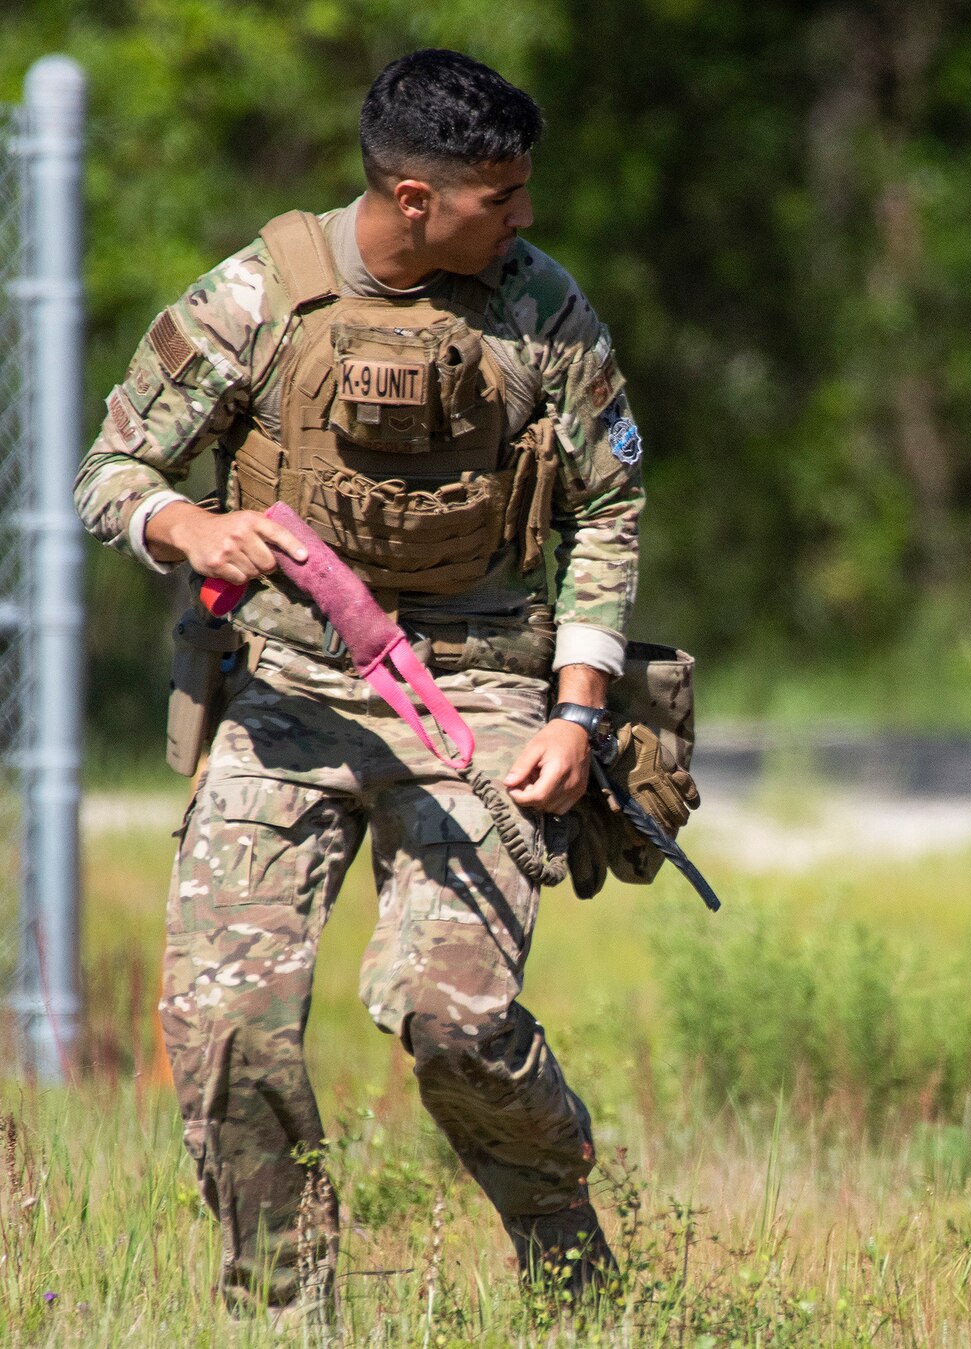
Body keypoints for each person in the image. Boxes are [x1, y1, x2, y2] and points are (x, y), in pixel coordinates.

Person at [72, 49, 644, 1317]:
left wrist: (578, 706)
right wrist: (187, 527)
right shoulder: (255, 297)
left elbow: (609, 507)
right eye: (500, 196)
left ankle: (572, 1256)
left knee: (450, 1015)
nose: (525, 216)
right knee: (225, 1027)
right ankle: (289, 1316)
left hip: (484, 688)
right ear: (409, 197)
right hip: (288, 688)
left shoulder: (539, 307)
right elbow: (110, 467)